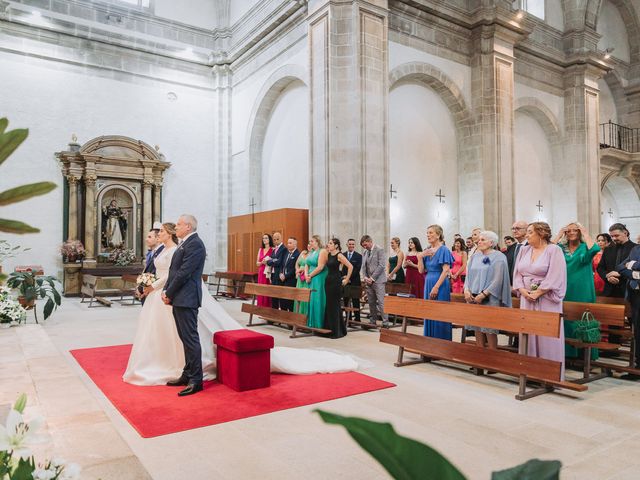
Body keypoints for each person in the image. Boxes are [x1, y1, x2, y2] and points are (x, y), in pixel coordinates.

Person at [124, 230, 360, 388]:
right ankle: (182, 366)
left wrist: (159, 289)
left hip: (177, 294)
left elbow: (181, 273)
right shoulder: (174, 248)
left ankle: (191, 372)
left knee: (192, 334)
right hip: (169, 294)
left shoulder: (189, 246)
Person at [513, 222, 567, 379]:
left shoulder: (554, 250)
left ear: (541, 234)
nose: (527, 235)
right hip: (526, 298)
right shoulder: (524, 250)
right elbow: (517, 273)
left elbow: (557, 274)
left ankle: (549, 374)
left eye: (530, 232)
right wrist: (522, 290)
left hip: (546, 299)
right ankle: (528, 372)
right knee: (528, 332)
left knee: (546, 335)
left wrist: (539, 292)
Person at [161, 215, 207, 396]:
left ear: (188, 227)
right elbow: (174, 271)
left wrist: (169, 292)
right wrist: (166, 291)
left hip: (187, 298)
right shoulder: (184, 242)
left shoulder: (195, 244)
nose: (176, 227)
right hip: (180, 297)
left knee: (190, 339)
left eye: (179, 224)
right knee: (184, 338)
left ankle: (196, 380)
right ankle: (187, 374)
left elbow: (184, 273)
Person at [552, 222, 600, 360]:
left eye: (575, 230)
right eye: (569, 231)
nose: (571, 233)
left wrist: (585, 232)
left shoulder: (585, 247)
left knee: (584, 319)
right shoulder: (561, 248)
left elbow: (595, 249)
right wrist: (559, 234)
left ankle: (585, 355)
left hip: (583, 288)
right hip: (564, 288)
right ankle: (567, 353)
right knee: (566, 319)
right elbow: (547, 250)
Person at [464, 231, 512, 350]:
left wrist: (484, 294)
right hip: (472, 296)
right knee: (477, 328)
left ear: (491, 242)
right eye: (479, 240)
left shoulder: (499, 257)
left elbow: (498, 279)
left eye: (483, 240)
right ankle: (480, 358)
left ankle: (492, 358)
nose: (479, 242)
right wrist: (466, 290)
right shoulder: (475, 256)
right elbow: (468, 275)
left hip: (489, 297)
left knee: (489, 330)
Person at [418, 225, 455, 340]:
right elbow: (421, 270)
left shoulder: (444, 250)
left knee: (440, 313)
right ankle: (429, 342)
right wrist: (420, 257)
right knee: (429, 312)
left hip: (440, 284)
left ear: (438, 235)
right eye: (427, 233)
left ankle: (442, 342)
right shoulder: (427, 250)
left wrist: (436, 287)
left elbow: (445, 271)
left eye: (431, 232)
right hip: (428, 282)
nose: (428, 235)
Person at [616, 245, 640, 369]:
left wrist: (633, 265)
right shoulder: (636, 249)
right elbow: (620, 267)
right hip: (636, 295)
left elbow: (629, 266)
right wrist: (636, 275)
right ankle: (638, 364)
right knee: (637, 331)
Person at [597, 223, 636, 298]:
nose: (614, 238)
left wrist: (621, 274)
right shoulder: (608, 249)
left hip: (629, 290)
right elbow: (600, 267)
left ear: (625, 233)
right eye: (612, 236)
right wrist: (607, 276)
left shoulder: (636, 248)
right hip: (609, 290)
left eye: (616, 235)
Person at [324, 238, 353, 338]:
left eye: (331, 243)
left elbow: (350, 266)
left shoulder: (339, 255)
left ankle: (337, 331)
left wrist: (346, 279)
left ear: (336, 245)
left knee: (335, 306)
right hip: (328, 281)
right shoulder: (328, 254)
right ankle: (329, 329)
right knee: (329, 305)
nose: (329, 245)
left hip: (336, 282)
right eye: (328, 243)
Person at [361, 235, 388, 327]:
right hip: (368, 281)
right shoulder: (365, 252)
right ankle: (373, 320)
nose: (365, 247)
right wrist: (365, 277)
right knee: (371, 302)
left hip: (379, 281)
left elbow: (381, 265)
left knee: (381, 302)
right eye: (363, 246)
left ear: (370, 241)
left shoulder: (379, 250)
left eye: (366, 245)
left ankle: (385, 322)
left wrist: (372, 278)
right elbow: (363, 266)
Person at [305, 235, 328, 329]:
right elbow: (307, 264)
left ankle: (318, 323)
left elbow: (320, 267)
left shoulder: (322, 251)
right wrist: (306, 275)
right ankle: (310, 322)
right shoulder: (312, 252)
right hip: (310, 277)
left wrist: (310, 275)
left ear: (317, 242)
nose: (310, 243)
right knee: (310, 299)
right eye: (310, 241)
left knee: (317, 298)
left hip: (319, 277)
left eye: (312, 241)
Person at [342, 239, 362, 322]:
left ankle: (357, 319)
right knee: (346, 300)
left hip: (355, 281)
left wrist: (349, 278)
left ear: (354, 245)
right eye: (350, 244)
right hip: (345, 281)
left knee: (355, 300)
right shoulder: (342, 255)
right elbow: (342, 268)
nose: (351, 246)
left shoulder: (359, 256)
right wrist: (345, 277)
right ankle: (348, 319)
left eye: (353, 244)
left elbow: (357, 269)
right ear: (347, 244)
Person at [266, 232, 287, 309]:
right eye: (274, 239)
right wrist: (271, 261)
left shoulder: (284, 249)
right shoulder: (275, 249)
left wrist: (271, 261)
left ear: (280, 239)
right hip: (273, 274)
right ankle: (273, 315)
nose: (275, 241)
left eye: (277, 239)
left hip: (279, 274)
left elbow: (279, 262)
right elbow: (269, 259)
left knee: (280, 295)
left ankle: (281, 315)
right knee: (273, 295)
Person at [279, 237, 300, 312]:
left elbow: (294, 268)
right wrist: (281, 273)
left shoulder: (298, 254)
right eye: (288, 243)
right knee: (283, 300)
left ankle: (290, 320)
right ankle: (283, 317)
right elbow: (282, 264)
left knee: (290, 301)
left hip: (291, 280)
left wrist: (285, 276)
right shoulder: (286, 253)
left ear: (295, 244)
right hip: (282, 280)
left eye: (290, 243)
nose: (288, 245)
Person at [505, 220, 528, 284]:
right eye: (513, 229)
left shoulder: (532, 246)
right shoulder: (511, 247)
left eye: (518, 228)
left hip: (525, 285)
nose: (514, 231)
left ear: (526, 230)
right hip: (511, 285)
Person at [256, 234, 274, 308]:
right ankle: (260, 306)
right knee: (261, 288)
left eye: (266, 238)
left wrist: (267, 262)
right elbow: (257, 263)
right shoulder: (260, 249)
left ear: (269, 239)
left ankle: (267, 306)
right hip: (261, 271)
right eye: (263, 238)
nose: (264, 239)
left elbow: (274, 260)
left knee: (267, 288)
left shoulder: (273, 249)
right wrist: (261, 263)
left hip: (268, 271)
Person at [294, 243, 310, 314]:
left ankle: (304, 313)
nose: (309, 245)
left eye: (311, 244)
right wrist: (297, 271)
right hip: (299, 278)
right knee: (298, 295)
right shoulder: (303, 252)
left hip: (306, 275)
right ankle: (297, 313)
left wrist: (303, 270)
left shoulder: (313, 255)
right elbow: (297, 264)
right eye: (308, 244)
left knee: (304, 295)